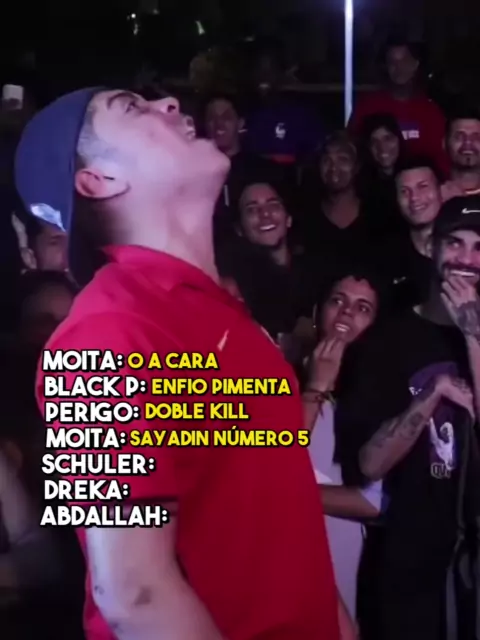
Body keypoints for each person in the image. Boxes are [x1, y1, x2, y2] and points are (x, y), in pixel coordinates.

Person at [15, 88, 345, 639]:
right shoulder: (101, 336)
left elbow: (282, 517)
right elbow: (132, 595)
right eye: (131, 107)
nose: (168, 102)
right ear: (99, 180)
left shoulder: (221, 312)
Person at [335, 195, 480, 640]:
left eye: (479, 247)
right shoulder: (386, 342)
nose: (467, 260)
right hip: (406, 572)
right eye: (454, 243)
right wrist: (432, 394)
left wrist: (473, 337)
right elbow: (369, 465)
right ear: (431, 248)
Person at [304, 267, 385, 620]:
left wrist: (290, 492)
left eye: (363, 308)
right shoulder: (278, 378)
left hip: (344, 561)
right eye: (337, 300)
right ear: (317, 311)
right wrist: (316, 386)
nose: (347, 312)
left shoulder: (379, 397)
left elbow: (374, 502)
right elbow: (269, 464)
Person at [217, 181, 320, 342]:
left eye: (273, 205)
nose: (265, 214)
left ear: (288, 219)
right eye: (252, 209)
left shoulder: (315, 272)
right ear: (239, 229)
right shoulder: (235, 287)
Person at [349, 37, 448, 176]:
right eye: (392, 62)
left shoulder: (431, 111)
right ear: (386, 67)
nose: (399, 67)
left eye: (404, 61)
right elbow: (352, 150)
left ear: (415, 64)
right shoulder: (367, 106)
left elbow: (442, 159)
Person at [203, 94, 280, 242]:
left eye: (226, 117)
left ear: (240, 123)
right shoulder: (194, 172)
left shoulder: (264, 170)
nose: (219, 124)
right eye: (212, 118)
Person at [303, 131, 377, 267]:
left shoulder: (377, 216)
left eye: (342, 159)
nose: (333, 168)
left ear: (356, 166)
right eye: (326, 160)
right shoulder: (305, 217)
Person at [380, 157, 442, 310]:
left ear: (440, 190)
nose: (414, 198)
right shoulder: (385, 256)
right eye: (404, 191)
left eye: (423, 186)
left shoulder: (467, 249)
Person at [358, 113, 407, 238]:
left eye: (388, 138)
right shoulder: (360, 185)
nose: (382, 147)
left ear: (399, 140)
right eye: (374, 141)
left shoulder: (415, 176)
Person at [442, 109, 480, 200]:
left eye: (476, 138)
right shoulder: (433, 195)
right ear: (444, 143)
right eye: (459, 137)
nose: (467, 144)